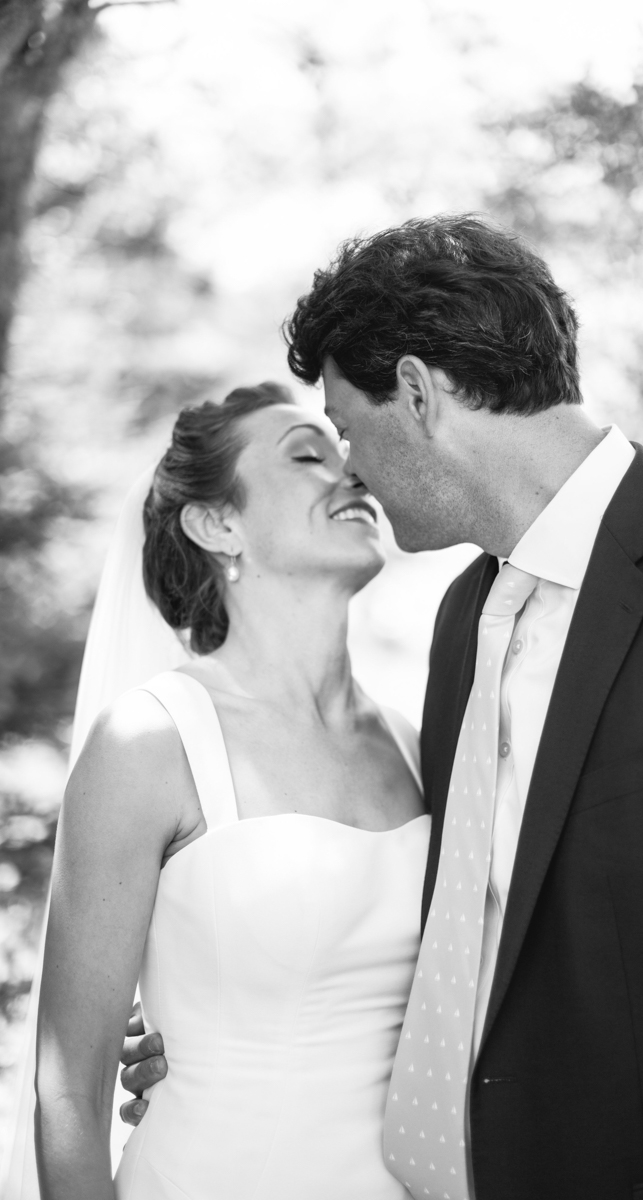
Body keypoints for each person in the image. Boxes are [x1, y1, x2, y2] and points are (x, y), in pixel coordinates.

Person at [123, 215, 643, 1199]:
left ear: (415, 392)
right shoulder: (463, 615)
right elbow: (475, 935)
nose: (347, 468)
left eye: (347, 429)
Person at [34, 381, 429, 1200]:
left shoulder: (417, 742)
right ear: (218, 525)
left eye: (345, 451)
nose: (350, 473)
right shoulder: (149, 742)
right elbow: (68, 1092)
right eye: (307, 456)